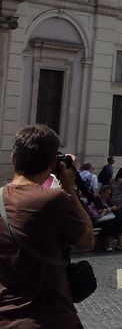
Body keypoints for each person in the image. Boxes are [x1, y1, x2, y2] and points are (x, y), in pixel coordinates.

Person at [0, 126, 96, 328]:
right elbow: (87, 239)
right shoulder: (54, 199)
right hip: (49, 317)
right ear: (52, 164)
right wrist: (69, 188)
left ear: (13, 160)